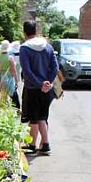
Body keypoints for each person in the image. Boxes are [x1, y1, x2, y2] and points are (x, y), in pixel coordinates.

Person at [19, 21, 58, 155]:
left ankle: (32, 145)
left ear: (24, 32)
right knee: (43, 117)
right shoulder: (48, 47)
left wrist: (39, 84)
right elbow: (55, 68)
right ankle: (45, 144)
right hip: (47, 90)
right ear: (36, 30)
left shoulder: (24, 48)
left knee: (33, 119)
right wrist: (47, 83)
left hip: (32, 88)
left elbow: (27, 72)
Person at [0, 40, 19, 108]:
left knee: (2, 96)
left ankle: (3, 108)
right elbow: (13, 71)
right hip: (9, 78)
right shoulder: (10, 58)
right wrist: (16, 81)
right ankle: (17, 110)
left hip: (1, 78)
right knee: (13, 96)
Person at [8, 40, 21, 109]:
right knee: (14, 90)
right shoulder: (20, 53)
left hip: (10, 74)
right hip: (15, 73)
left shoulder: (10, 54)